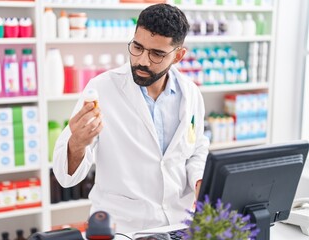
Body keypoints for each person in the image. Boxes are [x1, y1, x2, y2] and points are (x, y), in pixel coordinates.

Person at [53, 3, 210, 233]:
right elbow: (65, 178)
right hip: (124, 228)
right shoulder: (102, 89)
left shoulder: (191, 93)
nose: (143, 61)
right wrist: (77, 142)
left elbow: (196, 149)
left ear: (178, 56)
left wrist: (199, 180)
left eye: (157, 54)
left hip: (179, 224)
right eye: (137, 47)